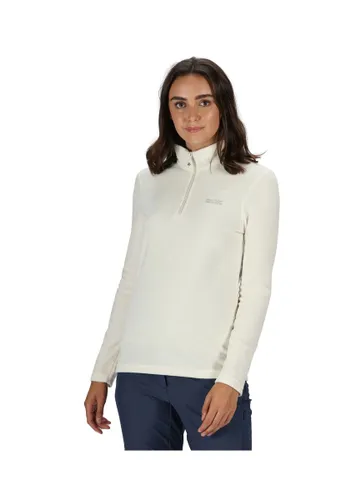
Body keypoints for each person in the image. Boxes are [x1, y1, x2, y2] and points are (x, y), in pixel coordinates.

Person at [84, 56, 280, 450]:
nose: (191, 115)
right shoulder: (149, 181)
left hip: (208, 377)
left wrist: (231, 379)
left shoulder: (256, 182)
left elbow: (255, 290)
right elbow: (131, 281)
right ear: (167, 111)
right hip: (138, 375)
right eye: (179, 103)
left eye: (204, 102)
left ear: (223, 106)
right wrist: (102, 371)